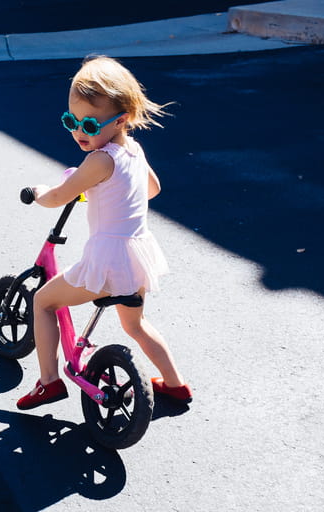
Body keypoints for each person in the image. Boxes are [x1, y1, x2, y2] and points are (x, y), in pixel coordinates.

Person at [17, 55, 192, 410]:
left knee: (42, 302)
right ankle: (175, 384)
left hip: (107, 260)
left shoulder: (98, 161)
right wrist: (112, 190)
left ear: (121, 119)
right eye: (71, 121)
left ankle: (48, 382)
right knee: (136, 325)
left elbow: (57, 198)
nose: (79, 132)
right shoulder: (134, 150)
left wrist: (37, 193)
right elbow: (152, 189)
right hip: (137, 258)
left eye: (91, 126)